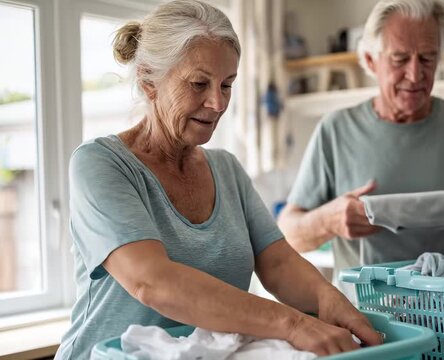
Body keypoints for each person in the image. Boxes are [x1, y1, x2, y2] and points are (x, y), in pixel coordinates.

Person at [54, 1, 381, 359]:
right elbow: (153, 282)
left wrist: (329, 300)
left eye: (227, 85)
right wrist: (295, 324)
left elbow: (279, 263)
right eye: (199, 83)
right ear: (149, 81)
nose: (217, 103)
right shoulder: (100, 164)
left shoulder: (226, 170)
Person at [277, 0, 444, 283]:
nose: (415, 76)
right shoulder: (336, 130)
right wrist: (330, 220)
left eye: (427, 58)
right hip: (365, 316)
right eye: (400, 59)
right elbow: (288, 234)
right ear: (369, 60)